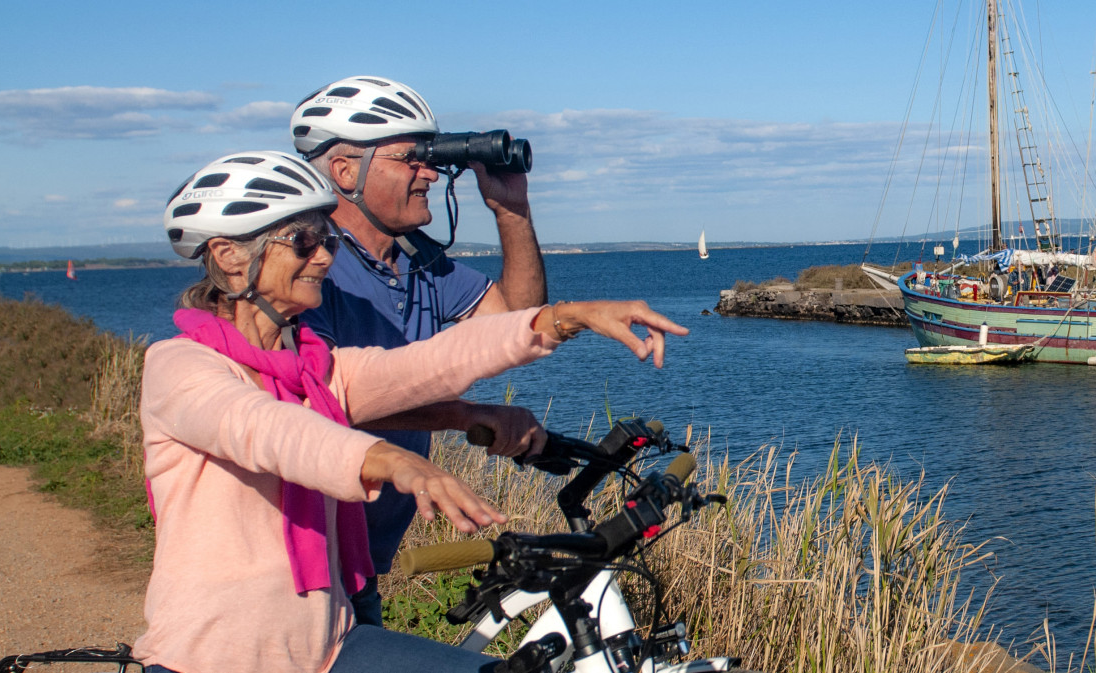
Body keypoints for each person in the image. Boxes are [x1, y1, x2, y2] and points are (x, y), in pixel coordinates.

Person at [139, 151, 686, 673]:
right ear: (229, 256)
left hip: (330, 645)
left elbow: (429, 363)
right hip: (215, 658)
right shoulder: (181, 367)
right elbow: (268, 431)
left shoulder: (316, 371)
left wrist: (564, 318)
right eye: (303, 241)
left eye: (327, 239)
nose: (325, 256)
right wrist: (392, 461)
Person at [287, 75, 551, 624]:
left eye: (431, 158)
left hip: (362, 561)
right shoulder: (313, 273)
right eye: (412, 158)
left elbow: (518, 328)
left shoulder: (420, 267)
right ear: (344, 171)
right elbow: (332, 397)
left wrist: (512, 213)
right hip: (302, 564)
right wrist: (465, 414)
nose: (430, 172)